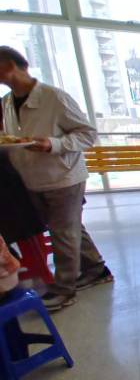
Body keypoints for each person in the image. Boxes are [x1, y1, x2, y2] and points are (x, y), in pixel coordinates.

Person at [0, 45, 112, 311]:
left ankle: (64, 289)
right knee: (68, 227)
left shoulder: (54, 97)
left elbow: (87, 134)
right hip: (33, 176)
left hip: (64, 175)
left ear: (11, 66)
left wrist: (53, 144)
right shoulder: (7, 102)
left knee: (63, 232)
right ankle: (96, 269)